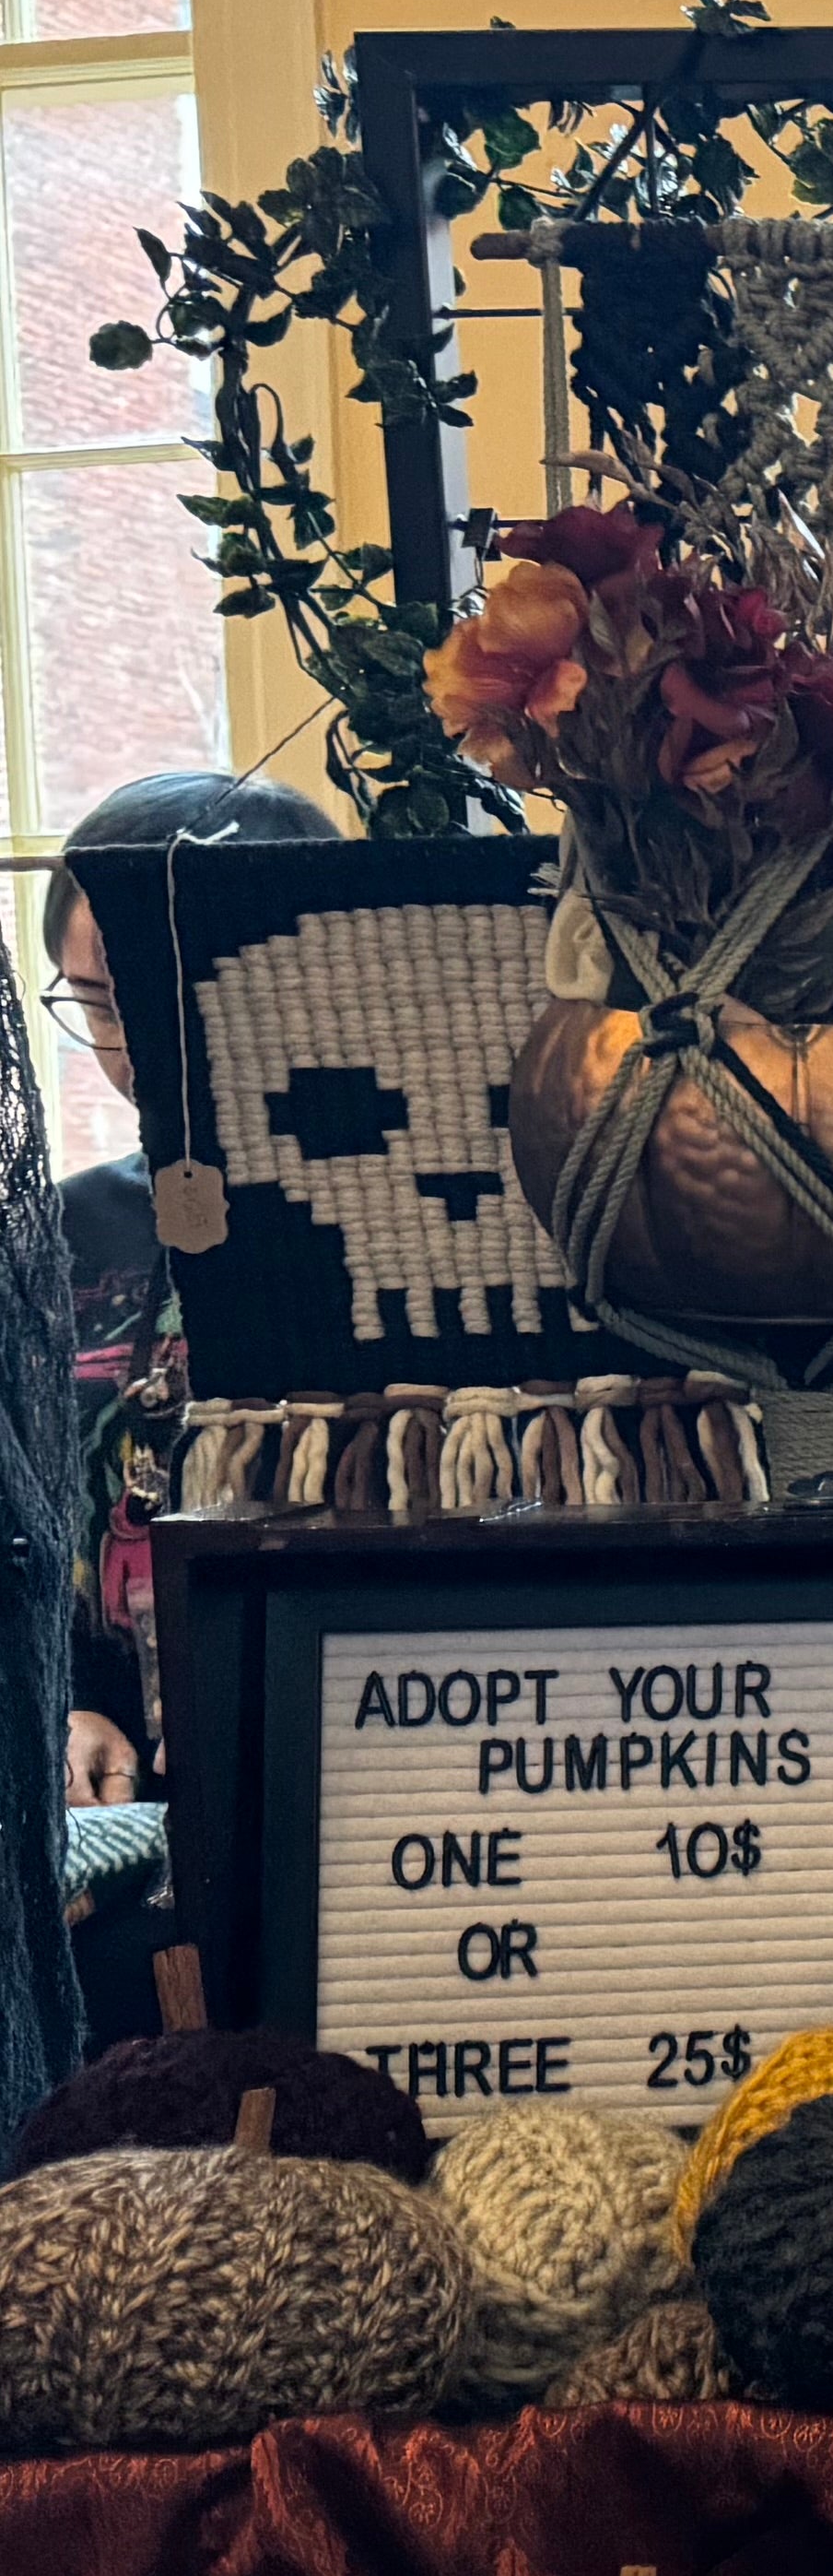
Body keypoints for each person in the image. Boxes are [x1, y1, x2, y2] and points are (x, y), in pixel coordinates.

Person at [40, 770, 347, 1802]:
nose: (134, 1051)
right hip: (114, 1792)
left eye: (157, 998)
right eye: (99, 1007)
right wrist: (54, 1710)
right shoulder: (53, 1235)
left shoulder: (402, 1224)